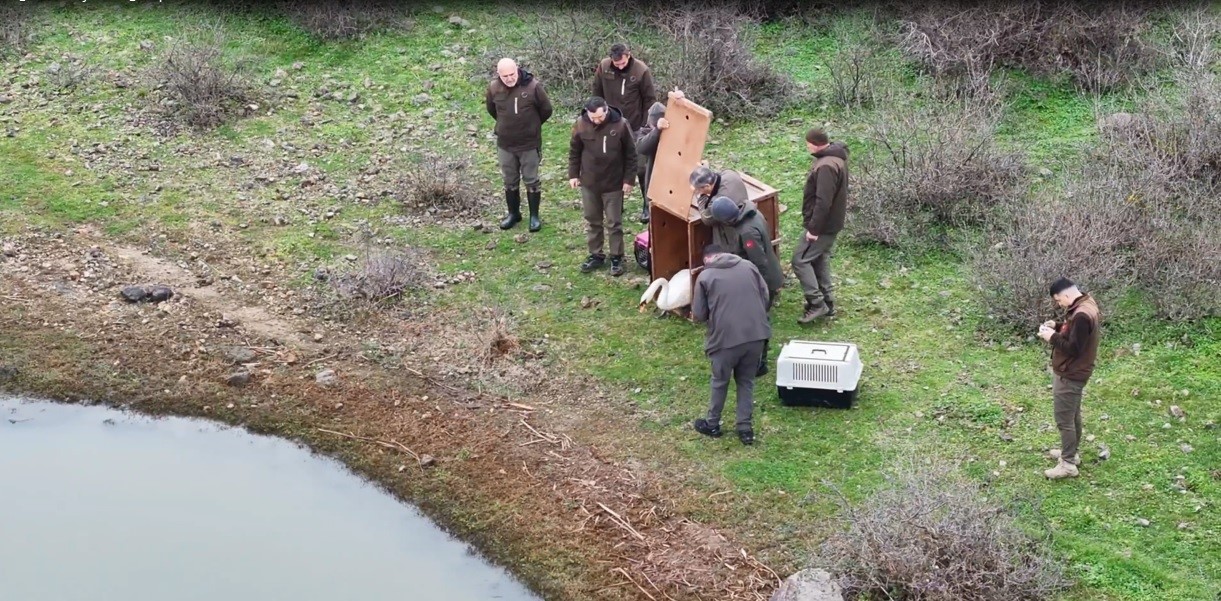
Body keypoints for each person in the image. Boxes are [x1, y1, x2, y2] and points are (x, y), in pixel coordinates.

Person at [690, 244, 771, 445]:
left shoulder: (706, 277)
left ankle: (712, 424)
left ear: (708, 259)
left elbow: (699, 315)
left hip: (724, 341)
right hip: (756, 336)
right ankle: (745, 429)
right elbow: (766, 296)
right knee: (746, 381)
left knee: (720, 381)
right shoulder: (748, 266)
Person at [708, 196, 783, 377]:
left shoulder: (746, 232)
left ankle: (760, 364)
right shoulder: (753, 213)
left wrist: (757, 289)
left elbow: (759, 263)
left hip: (763, 281)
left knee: (758, 321)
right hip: (767, 275)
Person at [1038, 277, 1102, 480]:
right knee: (1073, 415)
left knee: (1064, 420)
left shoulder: (1082, 314)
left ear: (1066, 295)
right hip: (1077, 370)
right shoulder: (1085, 303)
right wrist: (1057, 326)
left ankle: (1067, 464)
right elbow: (1076, 334)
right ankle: (1071, 453)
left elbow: (1074, 348)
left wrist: (1051, 337)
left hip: (1071, 373)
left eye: (1058, 300)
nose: (1059, 304)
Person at [568, 96, 637, 277]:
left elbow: (631, 154)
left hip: (613, 183)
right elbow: (574, 151)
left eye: (600, 117)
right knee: (593, 220)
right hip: (589, 183)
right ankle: (596, 254)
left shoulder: (621, 125)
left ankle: (616, 257)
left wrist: (629, 180)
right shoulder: (580, 125)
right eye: (593, 118)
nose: (597, 120)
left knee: (614, 222)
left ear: (606, 110)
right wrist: (573, 175)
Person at [485, 57, 553, 232]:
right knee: (509, 180)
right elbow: (492, 109)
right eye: (505, 76)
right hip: (505, 143)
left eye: (512, 74)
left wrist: (532, 127)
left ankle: (534, 217)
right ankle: (513, 214)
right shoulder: (494, 88)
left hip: (529, 144)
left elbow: (546, 110)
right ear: (498, 75)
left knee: (531, 180)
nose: (509, 78)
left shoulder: (533, 86)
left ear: (517, 70)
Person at [594, 44, 658, 224]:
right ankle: (616, 204)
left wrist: (647, 126)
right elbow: (596, 93)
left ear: (628, 56)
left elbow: (649, 100)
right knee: (614, 165)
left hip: (636, 126)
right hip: (612, 124)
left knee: (641, 167)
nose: (620, 66)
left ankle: (647, 204)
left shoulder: (641, 71)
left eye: (622, 63)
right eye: (617, 63)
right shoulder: (604, 67)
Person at [792, 128, 848, 324]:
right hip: (831, 224)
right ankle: (828, 302)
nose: (806, 146)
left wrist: (814, 229)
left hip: (822, 226)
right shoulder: (836, 158)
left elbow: (823, 201)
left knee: (800, 260)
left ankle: (817, 303)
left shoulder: (826, 166)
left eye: (807, 142)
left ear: (814, 143)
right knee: (818, 259)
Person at [690, 165, 750, 249]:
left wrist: (700, 196)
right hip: (747, 212)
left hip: (734, 233)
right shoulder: (730, 174)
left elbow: (706, 219)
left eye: (698, 189)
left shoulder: (717, 203)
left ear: (707, 186)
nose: (697, 191)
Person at [632, 101, 668, 223]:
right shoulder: (645, 132)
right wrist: (657, 130)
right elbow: (642, 147)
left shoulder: (673, 130)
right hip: (653, 179)